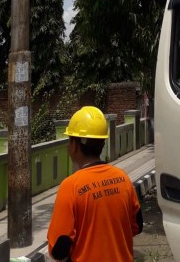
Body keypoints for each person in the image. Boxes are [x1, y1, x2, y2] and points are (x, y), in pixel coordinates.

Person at [48, 106, 143, 262]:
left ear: (74, 145)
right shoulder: (123, 178)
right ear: (102, 143)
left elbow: (59, 249)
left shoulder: (70, 186)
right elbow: (137, 225)